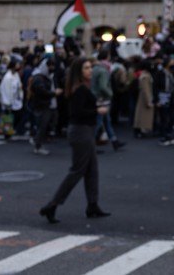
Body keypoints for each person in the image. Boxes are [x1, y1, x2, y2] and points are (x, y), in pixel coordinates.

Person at [39, 57, 111, 224]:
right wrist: (97, 110)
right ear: (79, 71)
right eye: (86, 68)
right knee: (77, 170)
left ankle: (92, 205)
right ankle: (52, 205)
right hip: (80, 131)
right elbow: (78, 113)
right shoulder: (79, 90)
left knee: (92, 170)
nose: (90, 71)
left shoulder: (80, 88)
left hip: (83, 131)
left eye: (90, 68)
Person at [92, 50, 124, 151]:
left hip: (96, 98)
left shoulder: (95, 68)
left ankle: (114, 141)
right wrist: (110, 94)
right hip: (102, 99)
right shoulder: (103, 70)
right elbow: (103, 86)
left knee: (105, 121)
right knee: (99, 122)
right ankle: (90, 144)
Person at [29, 57, 61, 156]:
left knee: (48, 124)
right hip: (43, 105)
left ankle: (39, 141)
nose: (52, 68)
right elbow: (41, 91)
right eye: (50, 66)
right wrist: (54, 93)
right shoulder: (39, 77)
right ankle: (38, 145)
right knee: (42, 125)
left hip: (50, 104)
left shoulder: (50, 76)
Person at [0, 59, 24, 139]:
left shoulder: (15, 75)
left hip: (16, 100)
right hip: (9, 101)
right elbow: (5, 90)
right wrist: (7, 102)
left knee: (15, 116)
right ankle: (7, 132)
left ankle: (10, 130)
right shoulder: (7, 77)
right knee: (8, 117)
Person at [134, 60, 155, 138]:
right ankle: (142, 130)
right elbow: (146, 89)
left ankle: (140, 129)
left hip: (143, 97)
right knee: (143, 115)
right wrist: (149, 100)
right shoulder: (145, 76)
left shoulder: (144, 75)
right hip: (145, 97)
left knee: (141, 114)